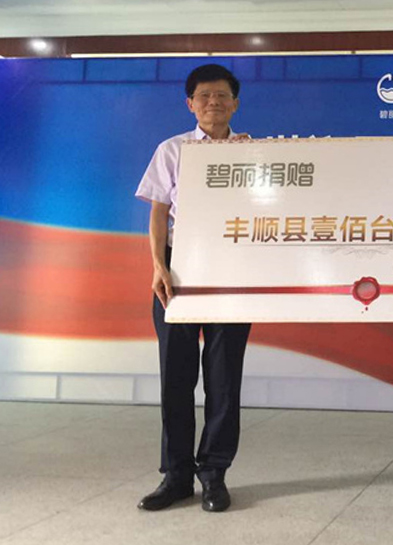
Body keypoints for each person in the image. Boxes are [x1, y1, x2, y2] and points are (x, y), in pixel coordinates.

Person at [135, 64, 252, 513]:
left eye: (222, 95)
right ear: (190, 104)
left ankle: (214, 474)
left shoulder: (254, 150)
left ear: (235, 103)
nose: (213, 102)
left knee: (224, 380)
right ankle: (177, 476)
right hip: (178, 271)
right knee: (176, 377)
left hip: (232, 270)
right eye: (204, 96)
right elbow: (158, 212)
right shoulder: (172, 150)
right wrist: (158, 267)